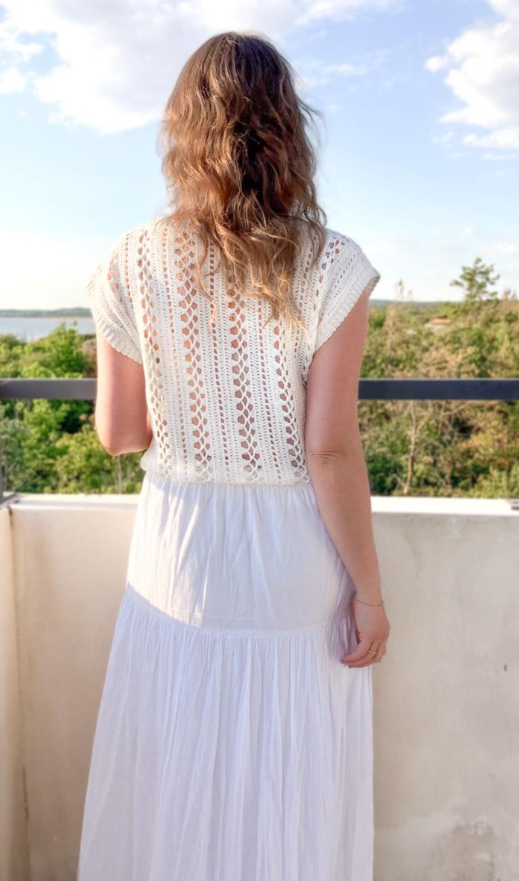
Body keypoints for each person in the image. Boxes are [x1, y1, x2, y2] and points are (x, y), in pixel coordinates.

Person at [77, 30, 391, 881]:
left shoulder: (129, 261)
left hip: (178, 550)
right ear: (288, 127)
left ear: (183, 130)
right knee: (289, 781)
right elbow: (329, 447)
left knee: (179, 772)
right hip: (291, 556)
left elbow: (120, 433)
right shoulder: (334, 265)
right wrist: (369, 591)